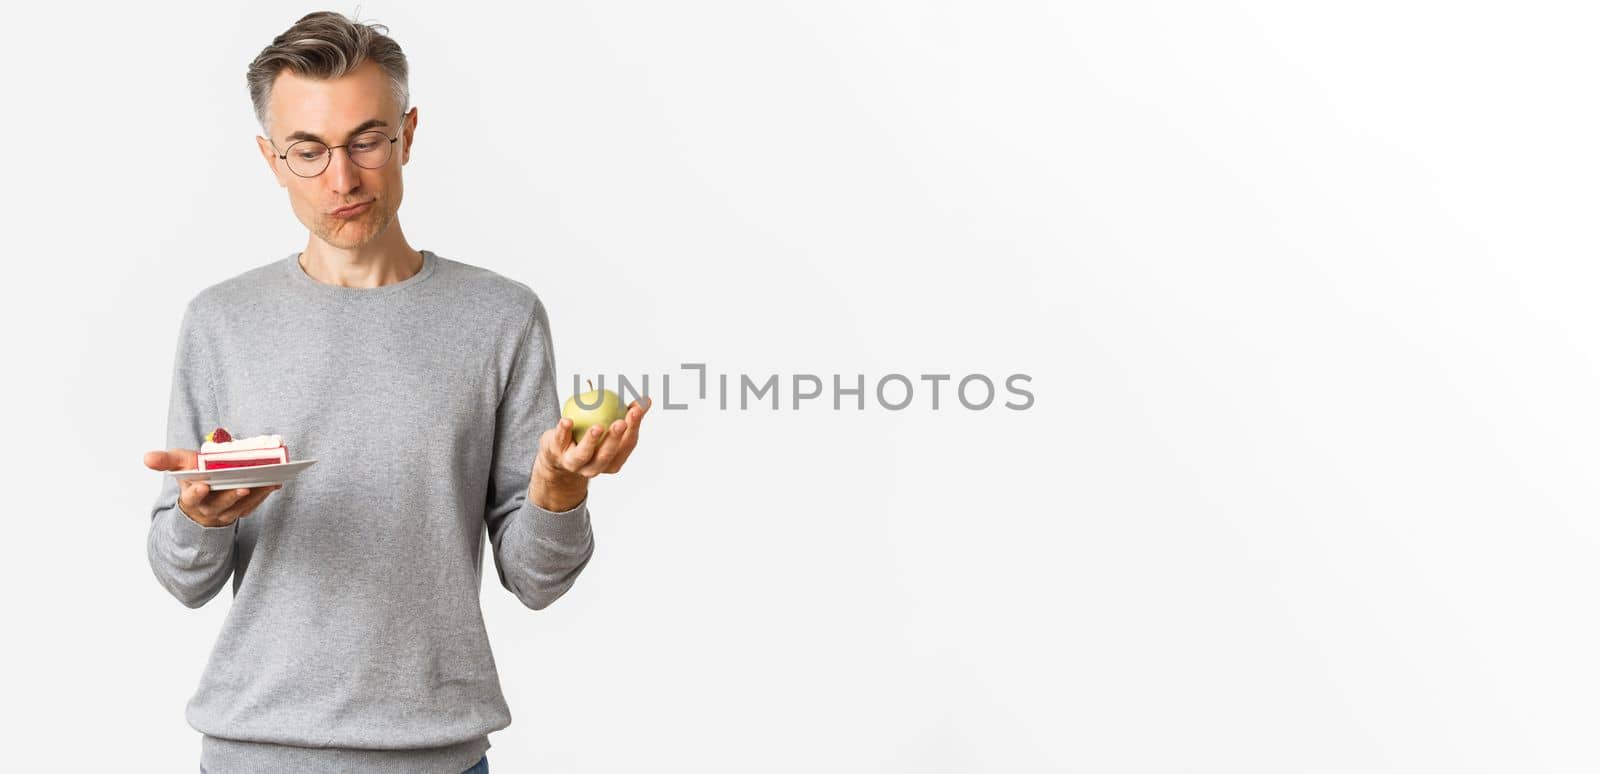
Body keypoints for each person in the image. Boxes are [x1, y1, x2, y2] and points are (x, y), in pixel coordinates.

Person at [141, 12, 649, 773]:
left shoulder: (500, 318)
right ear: (271, 159)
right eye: (308, 151)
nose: (341, 180)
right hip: (255, 752)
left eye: (366, 142)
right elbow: (185, 578)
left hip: (439, 755)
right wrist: (196, 515)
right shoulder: (222, 322)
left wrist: (556, 491)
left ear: (407, 135)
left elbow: (539, 580)